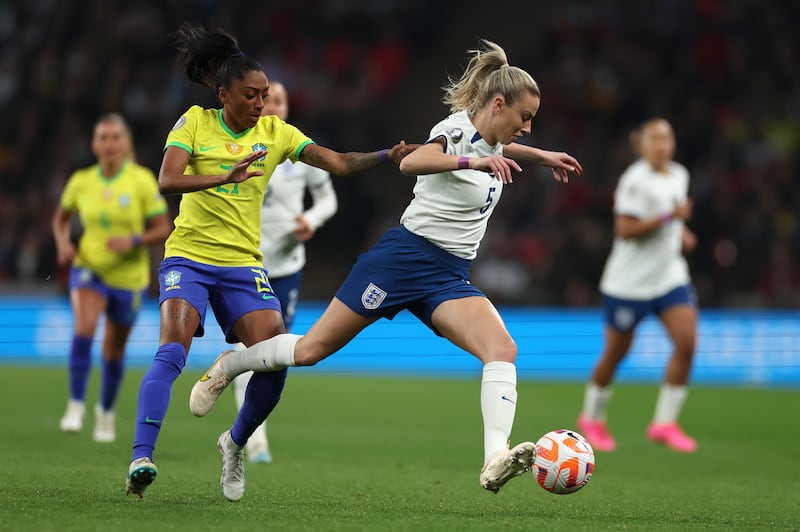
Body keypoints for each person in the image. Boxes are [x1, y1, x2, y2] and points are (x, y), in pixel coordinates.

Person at [190, 39, 583, 496]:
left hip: (448, 276)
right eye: (525, 118)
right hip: (402, 259)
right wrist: (476, 161)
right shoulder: (455, 130)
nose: (529, 129)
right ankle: (231, 363)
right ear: (498, 104)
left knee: (502, 349)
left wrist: (541, 157)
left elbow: (496, 148)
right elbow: (414, 162)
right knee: (311, 350)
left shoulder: (494, 141)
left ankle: (495, 455)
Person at [124, 24, 413, 500]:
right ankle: (141, 458)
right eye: (251, 95)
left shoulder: (276, 133)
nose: (260, 104)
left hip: (242, 263)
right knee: (172, 350)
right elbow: (167, 182)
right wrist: (224, 175)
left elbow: (337, 162)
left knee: (277, 357)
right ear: (224, 94)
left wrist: (387, 155)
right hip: (189, 256)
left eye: (265, 95)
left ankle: (234, 443)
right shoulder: (193, 122)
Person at [230, 80, 339, 464]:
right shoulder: (239, 145)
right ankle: (253, 436)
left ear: (288, 107)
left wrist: (310, 219)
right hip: (244, 263)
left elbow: (328, 199)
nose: (272, 106)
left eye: (279, 100)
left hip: (287, 266)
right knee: (248, 350)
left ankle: (249, 427)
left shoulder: (299, 151)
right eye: (265, 99)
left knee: (275, 354)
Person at [577, 117, 698, 453]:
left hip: (669, 276)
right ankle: (592, 418)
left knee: (687, 343)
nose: (662, 144)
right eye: (654, 138)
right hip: (629, 283)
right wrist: (668, 219)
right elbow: (625, 230)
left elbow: (670, 221)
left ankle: (665, 423)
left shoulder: (679, 174)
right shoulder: (634, 181)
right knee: (616, 353)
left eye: (667, 137)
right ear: (641, 145)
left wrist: (681, 234)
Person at [52, 112, 171, 443]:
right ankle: (76, 404)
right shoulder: (81, 181)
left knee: (114, 351)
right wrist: (63, 244)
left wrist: (133, 240)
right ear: (94, 144)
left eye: (115, 137)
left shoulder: (141, 181)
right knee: (84, 328)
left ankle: (105, 413)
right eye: (103, 138)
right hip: (90, 268)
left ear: (126, 144)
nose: (109, 144)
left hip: (129, 277)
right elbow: (60, 220)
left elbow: (163, 227)